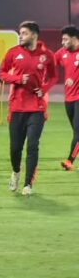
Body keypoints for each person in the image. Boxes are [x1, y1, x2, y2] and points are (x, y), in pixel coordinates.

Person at [0, 21, 56, 195]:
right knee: (15, 148)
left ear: (34, 35)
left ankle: (28, 184)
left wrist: (44, 89)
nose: (21, 36)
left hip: (37, 108)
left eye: (24, 33)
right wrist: (17, 79)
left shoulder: (46, 54)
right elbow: (1, 73)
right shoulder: (13, 52)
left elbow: (53, 77)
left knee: (32, 145)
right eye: (20, 33)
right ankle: (16, 172)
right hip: (16, 107)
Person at [54, 25, 79, 171]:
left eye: (65, 39)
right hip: (69, 98)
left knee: (78, 132)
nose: (62, 42)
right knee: (76, 131)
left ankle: (69, 161)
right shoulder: (61, 53)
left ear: (75, 39)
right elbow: (49, 65)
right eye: (62, 39)